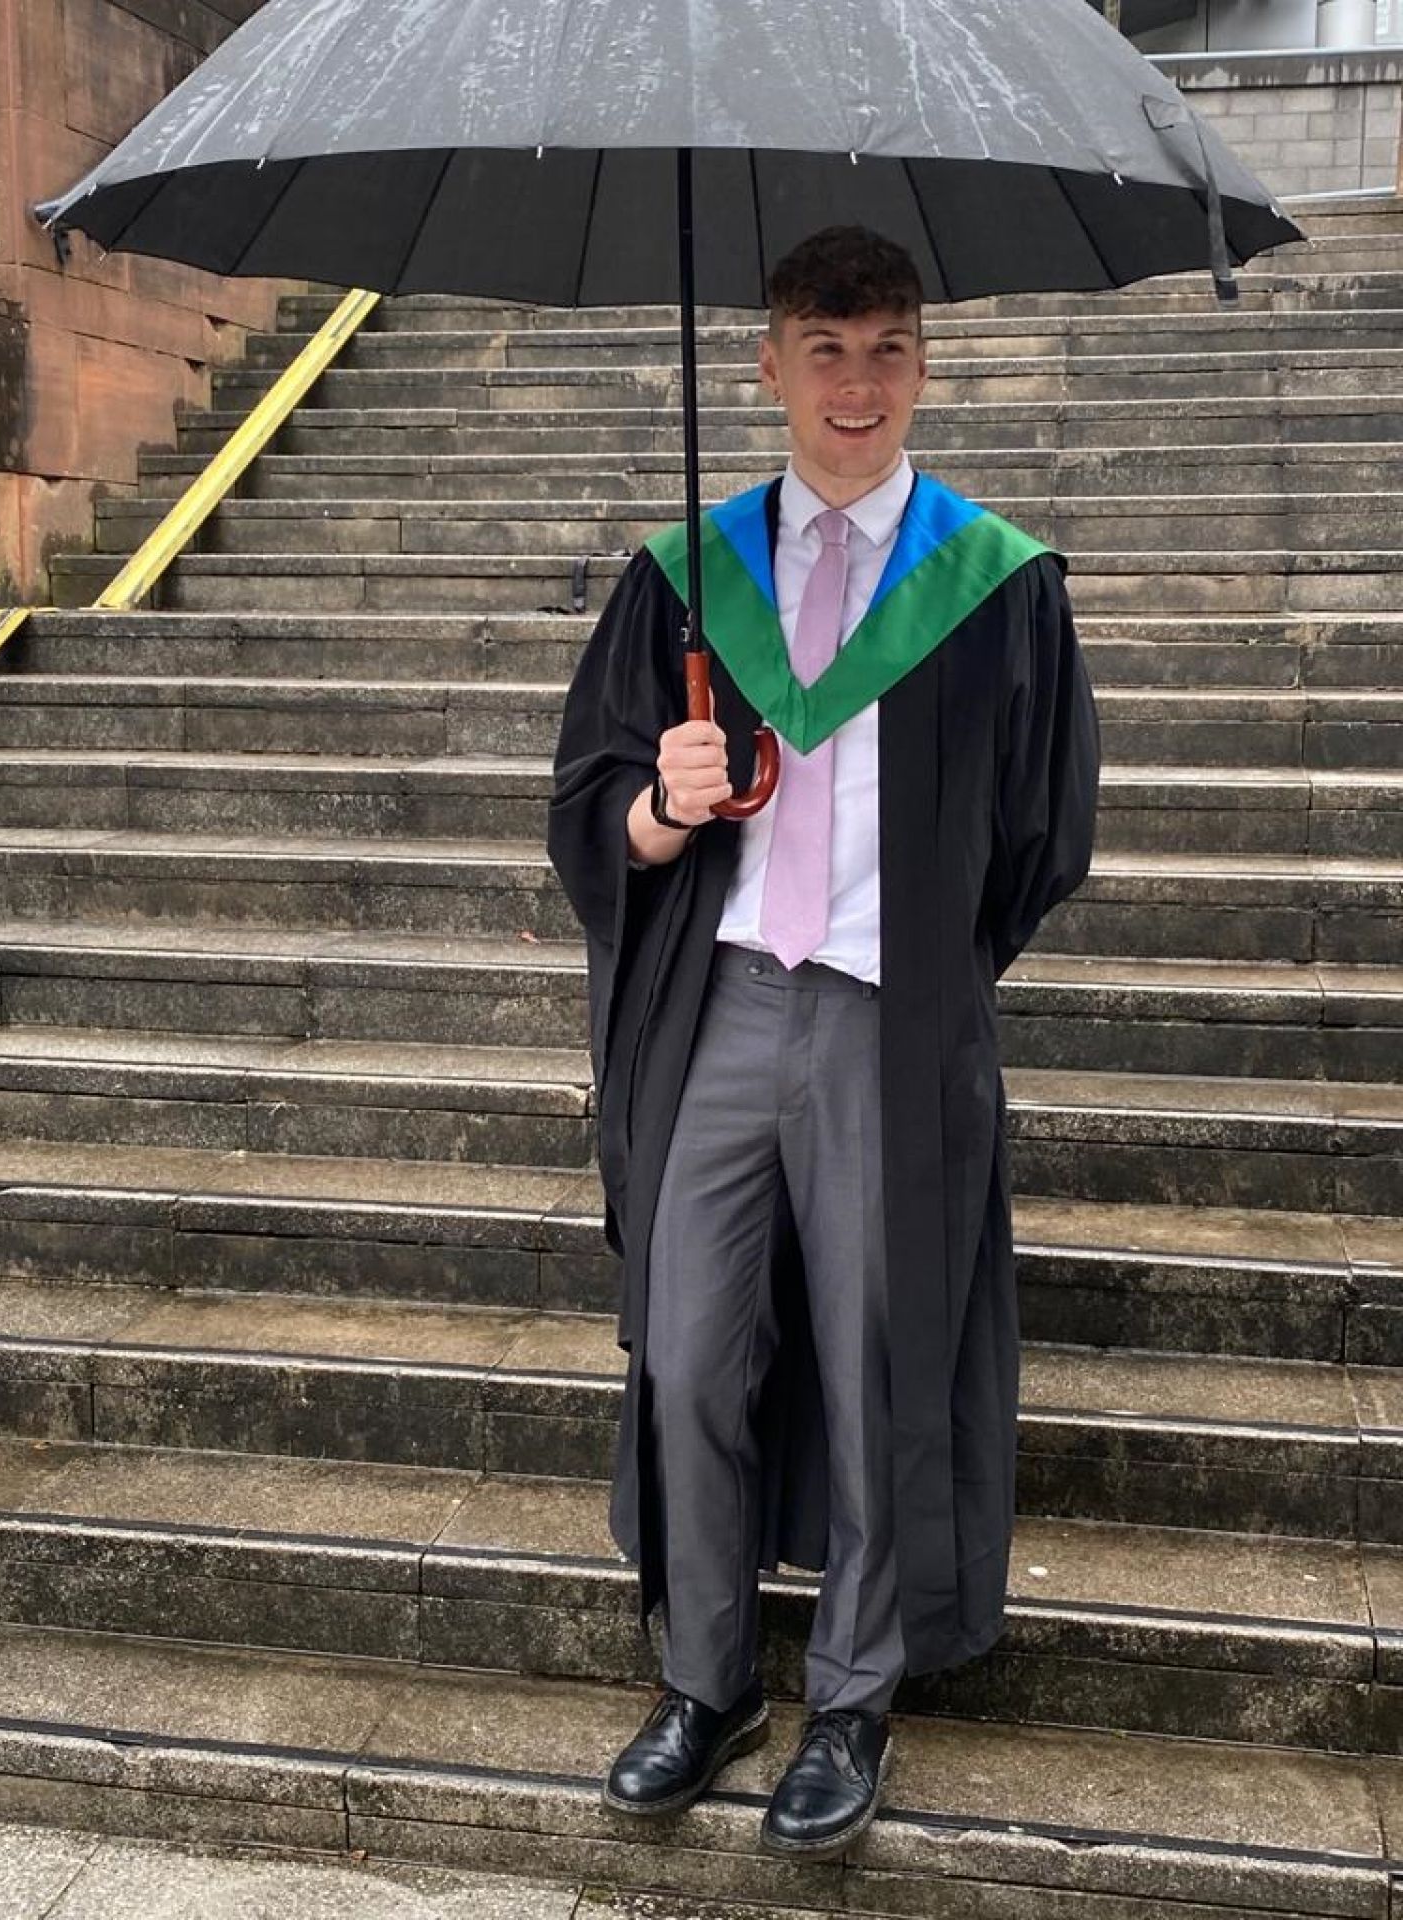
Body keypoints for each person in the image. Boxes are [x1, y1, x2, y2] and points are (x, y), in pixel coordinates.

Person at [547, 225, 1100, 1862]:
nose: (855, 382)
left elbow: (1040, 833)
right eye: (821, 344)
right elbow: (586, 802)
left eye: (885, 348)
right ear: (768, 367)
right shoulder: (684, 578)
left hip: (880, 1015)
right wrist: (665, 808)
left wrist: (923, 962)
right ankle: (709, 1678)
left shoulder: (995, 581)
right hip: (719, 1009)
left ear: (921, 366)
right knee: (694, 1352)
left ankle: (850, 1695)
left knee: (875, 1359)